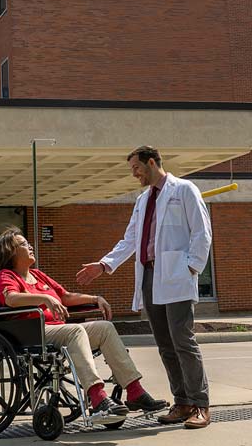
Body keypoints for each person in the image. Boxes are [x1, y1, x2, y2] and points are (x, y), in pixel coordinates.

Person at [76, 145, 212, 429]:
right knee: (165, 344)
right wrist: (103, 265)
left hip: (176, 275)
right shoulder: (142, 200)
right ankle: (182, 402)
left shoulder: (184, 190)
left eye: (136, 168)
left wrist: (191, 268)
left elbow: (202, 232)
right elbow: (129, 241)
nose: (134, 174)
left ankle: (200, 404)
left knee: (183, 342)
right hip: (150, 277)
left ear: (151, 162)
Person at [0, 227, 168, 424]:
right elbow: (11, 299)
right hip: (33, 332)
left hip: (59, 330)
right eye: (23, 244)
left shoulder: (38, 275)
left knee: (104, 328)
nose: (30, 246)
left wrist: (96, 298)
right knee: (74, 330)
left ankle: (135, 391)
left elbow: (65, 297)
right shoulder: (6, 276)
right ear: (10, 251)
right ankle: (97, 397)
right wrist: (44, 299)